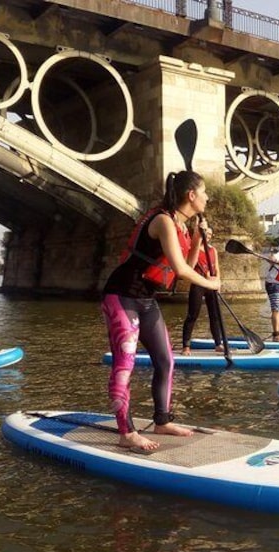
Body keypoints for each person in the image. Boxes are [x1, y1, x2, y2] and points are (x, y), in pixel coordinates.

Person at [101, 170, 220, 451]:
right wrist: (212, 284)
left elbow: (184, 268)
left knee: (166, 361)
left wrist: (199, 239)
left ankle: (162, 421)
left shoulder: (179, 226)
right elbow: (180, 270)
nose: (208, 197)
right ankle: (126, 432)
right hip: (122, 296)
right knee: (124, 364)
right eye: (204, 192)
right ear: (191, 196)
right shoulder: (163, 221)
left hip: (146, 299)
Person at [181, 227, 223, 355]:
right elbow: (190, 266)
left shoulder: (213, 250)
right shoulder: (194, 250)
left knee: (215, 316)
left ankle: (218, 344)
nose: (208, 235)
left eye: (210, 234)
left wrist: (218, 283)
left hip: (211, 285)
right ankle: (186, 346)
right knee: (192, 315)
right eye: (206, 233)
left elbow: (217, 268)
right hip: (198, 284)